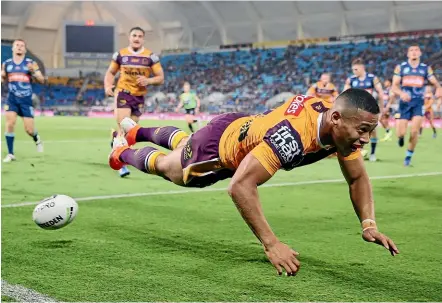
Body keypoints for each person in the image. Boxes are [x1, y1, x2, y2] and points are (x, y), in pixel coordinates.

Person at [109, 88, 399, 276]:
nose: (365, 139)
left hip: (243, 128)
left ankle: (135, 130)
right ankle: (121, 150)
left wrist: (368, 224)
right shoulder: (294, 137)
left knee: (184, 142)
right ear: (335, 118)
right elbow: (240, 186)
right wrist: (271, 244)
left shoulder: (337, 121)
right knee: (171, 169)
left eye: (370, 131)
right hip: (218, 149)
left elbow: (358, 176)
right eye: (362, 130)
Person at [104, 26, 164, 177]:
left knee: (131, 132)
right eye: (134, 35)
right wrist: (107, 85)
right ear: (129, 38)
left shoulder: (150, 57)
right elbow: (111, 72)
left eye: (139, 36)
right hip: (123, 92)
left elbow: (160, 77)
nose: (136, 38)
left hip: (139, 97)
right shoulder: (120, 55)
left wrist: (148, 80)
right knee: (124, 126)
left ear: (143, 39)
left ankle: (116, 141)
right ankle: (121, 164)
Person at [391, 44, 442, 166]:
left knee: (414, 132)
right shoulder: (401, 68)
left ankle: (408, 157)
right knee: (401, 133)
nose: (414, 52)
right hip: (404, 103)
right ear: (408, 54)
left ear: (420, 53)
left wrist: (439, 88)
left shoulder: (425, 69)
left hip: (418, 103)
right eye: (411, 50)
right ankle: (401, 138)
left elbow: (436, 83)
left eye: (416, 50)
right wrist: (401, 93)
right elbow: (394, 86)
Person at [1, 39, 45, 163]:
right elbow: (2, 77)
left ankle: (37, 138)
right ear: (13, 48)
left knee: (29, 130)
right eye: (17, 45)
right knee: (10, 124)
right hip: (12, 99)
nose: (19, 47)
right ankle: (10, 154)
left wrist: (33, 72)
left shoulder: (31, 63)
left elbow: (41, 79)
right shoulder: (6, 63)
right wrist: (2, 76)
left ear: (25, 49)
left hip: (26, 100)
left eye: (22, 46)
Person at [344, 58, 384, 162]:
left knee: (373, 131)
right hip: (356, 110)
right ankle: (359, 152)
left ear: (362, 68)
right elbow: (344, 94)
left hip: (370, 110)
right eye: (353, 70)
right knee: (357, 131)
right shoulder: (351, 80)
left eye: (356, 69)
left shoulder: (372, 79)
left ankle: (373, 154)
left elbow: (380, 93)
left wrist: (382, 108)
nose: (354, 72)